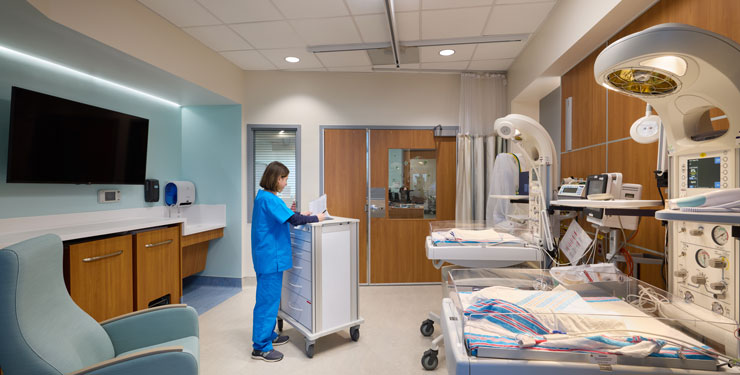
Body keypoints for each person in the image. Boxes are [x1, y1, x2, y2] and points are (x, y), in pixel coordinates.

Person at [251, 161, 325, 362]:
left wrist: (301, 214)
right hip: (270, 258)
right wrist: (317, 218)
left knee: (270, 299)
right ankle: (260, 347)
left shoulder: (264, 196)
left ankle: (269, 335)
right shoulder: (270, 199)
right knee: (267, 302)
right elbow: (293, 220)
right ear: (276, 179)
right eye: (284, 179)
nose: (285, 183)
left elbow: (287, 216)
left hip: (265, 256)